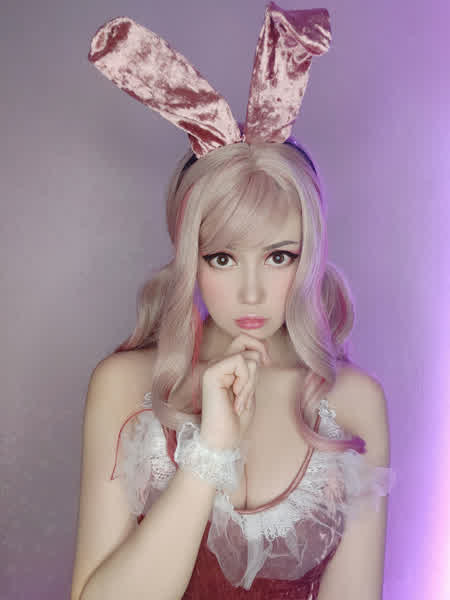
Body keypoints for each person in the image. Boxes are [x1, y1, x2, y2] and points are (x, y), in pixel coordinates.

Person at [71, 4, 395, 599]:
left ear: (311, 253)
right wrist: (211, 453)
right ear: (189, 255)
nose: (251, 292)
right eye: (222, 257)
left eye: (279, 256)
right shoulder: (124, 386)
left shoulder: (354, 402)